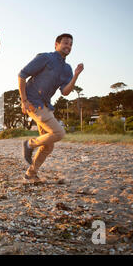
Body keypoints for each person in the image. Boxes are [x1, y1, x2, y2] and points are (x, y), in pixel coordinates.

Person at [18, 33, 84, 182]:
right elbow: (22, 75)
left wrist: (76, 76)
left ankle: (30, 174)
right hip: (33, 102)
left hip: (46, 104)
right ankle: (29, 144)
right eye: (65, 43)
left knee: (48, 146)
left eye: (71, 44)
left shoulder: (67, 68)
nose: (68, 46)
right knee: (59, 133)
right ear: (56, 44)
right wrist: (24, 100)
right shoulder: (45, 57)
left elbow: (65, 92)